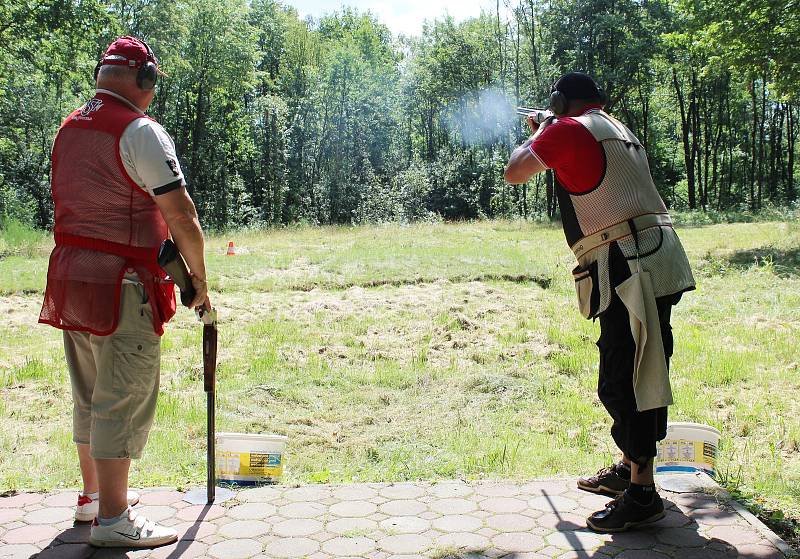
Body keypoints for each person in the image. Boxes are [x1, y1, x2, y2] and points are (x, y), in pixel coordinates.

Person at [504, 72, 695, 533]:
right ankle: (631, 467)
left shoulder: (568, 129)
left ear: (559, 101)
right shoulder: (620, 130)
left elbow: (515, 171)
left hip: (628, 263)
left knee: (625, 376)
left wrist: (543, 129)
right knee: (643, 365)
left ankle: (643, 493)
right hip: (654, 258)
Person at [39, 36, 209, 548]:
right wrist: (199, 281)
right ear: (146, 80)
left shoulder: (70, 127)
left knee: (89, 392)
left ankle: (93, 498)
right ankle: (114, 520)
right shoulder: (141, 131)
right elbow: (182, 214)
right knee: (121, 396)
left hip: (73, 276)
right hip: (123, 282)